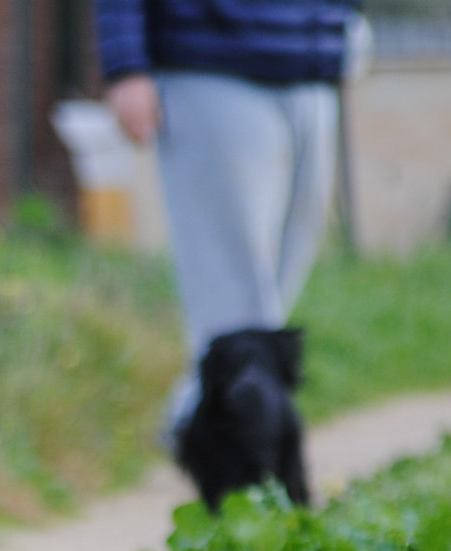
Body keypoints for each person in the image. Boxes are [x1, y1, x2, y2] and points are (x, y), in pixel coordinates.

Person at [94, 0, 365, 444]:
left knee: (277, 283)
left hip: (311, 63)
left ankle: (199, 431)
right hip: (210, 60)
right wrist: (125, 63)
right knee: (234, 290)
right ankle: (239, 455)